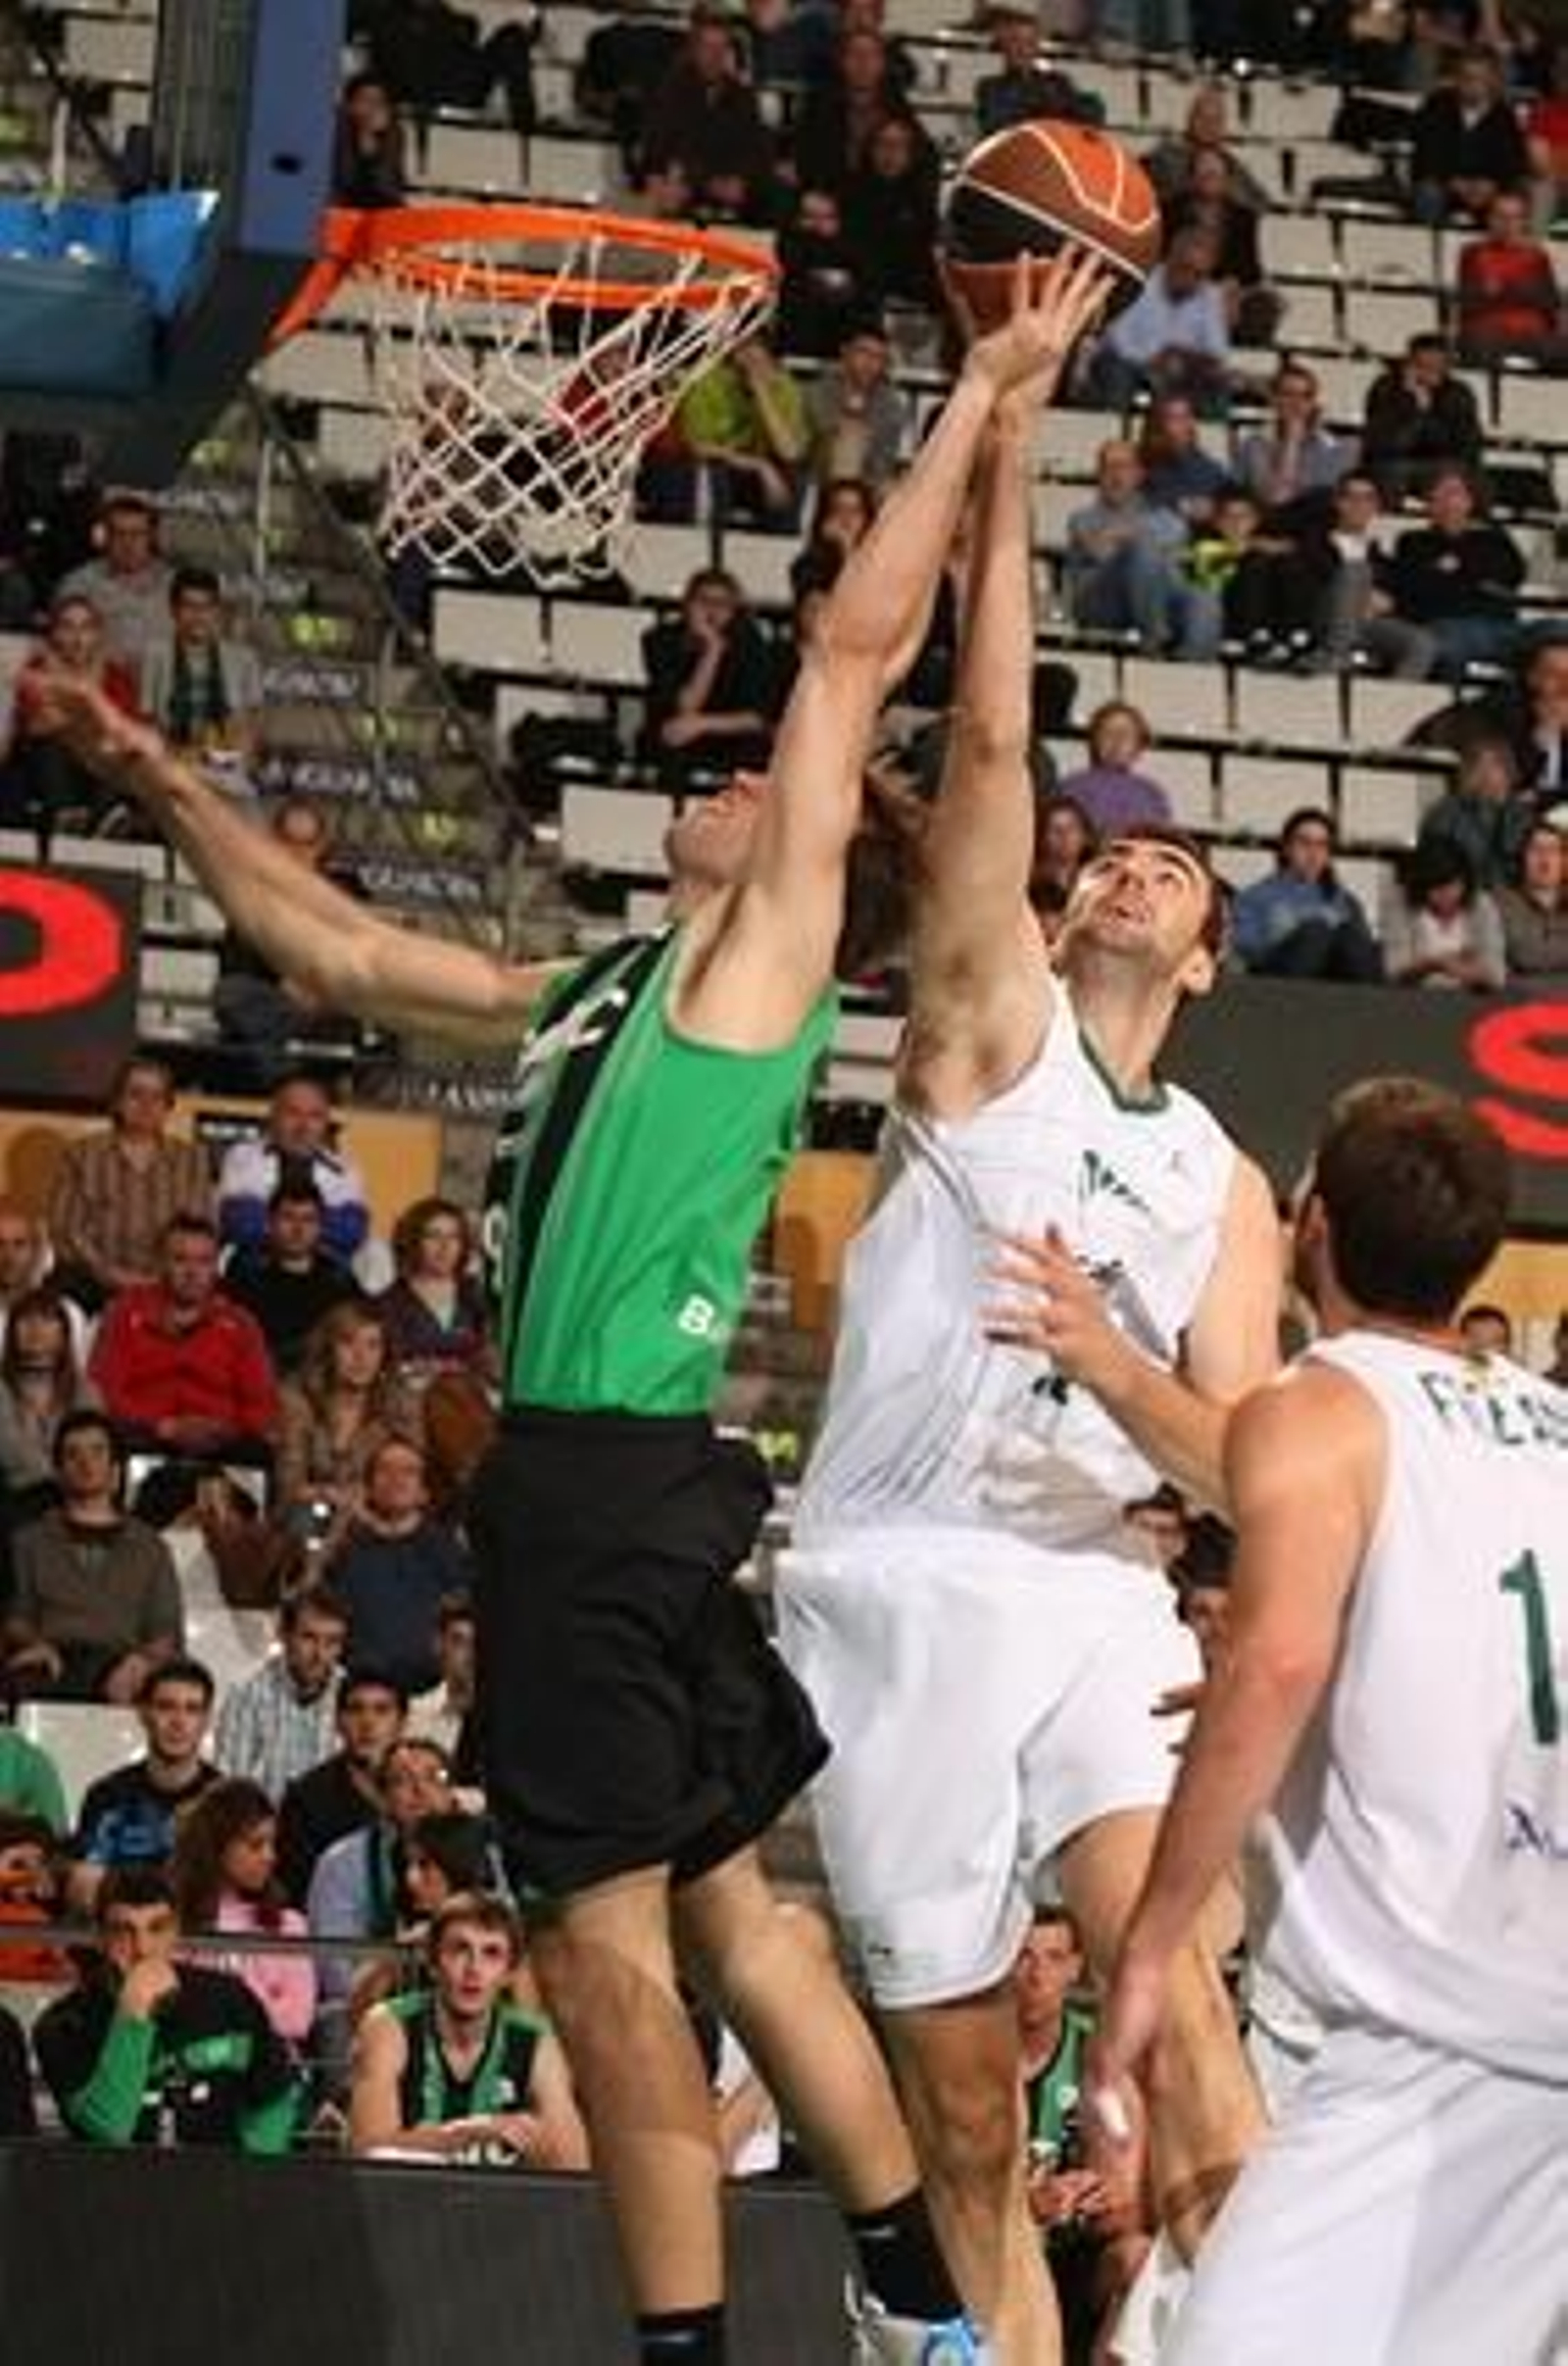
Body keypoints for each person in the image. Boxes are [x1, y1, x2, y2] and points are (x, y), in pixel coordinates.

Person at [29, 261, 1111, 2366]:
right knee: (726, 1890)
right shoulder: (600, 997)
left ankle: (688, 2344)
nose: (698, 786)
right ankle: (907, 2264)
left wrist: (983, 387)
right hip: (629, 1501)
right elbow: (332, 950)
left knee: (593, 1939)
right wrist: (149, 772)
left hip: (602, 1490)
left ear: (799, 853)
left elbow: (851, 654)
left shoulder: (764, 952)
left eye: (738, 792)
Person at [777, 295, 1275, 2362]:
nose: (1135, 866)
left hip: (1091, 1596)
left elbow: (1234, 1459)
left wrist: (1104, 1354)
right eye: (1114, 856)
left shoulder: (1230, 1181)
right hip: (891, 1589)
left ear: (1217, 955)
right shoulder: (988, 1035)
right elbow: (985, 745)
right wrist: (1002, 435)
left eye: (1177, 866)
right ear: (1062, 916)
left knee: (1194, 2050)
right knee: (965, 2124)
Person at [1092, 1076, 1567, 2366]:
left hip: (1427, 2048)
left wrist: (1149, 1947)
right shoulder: (1557, 1436)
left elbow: (1278, 1654)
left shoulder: (1313, 1407)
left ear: (1309, 1227)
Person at [34, 1866, 297, 2151]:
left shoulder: (229, 1999)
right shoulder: (64, 2025)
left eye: (157, 1928)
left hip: (218, 2186)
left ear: (176, 1931)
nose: (142, 1949)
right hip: (116, 2188)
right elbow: (108, 2131)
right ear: (100, 1937)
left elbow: (275, 2097)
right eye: (124, 1931)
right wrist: (133, 2015)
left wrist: (252, 2174)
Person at [350, 1891, 587, 2166]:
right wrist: (469, 2133)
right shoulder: (388, 2026)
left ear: (509, 1973)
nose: (474, 1969)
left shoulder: (534, 2038)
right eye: (460, 1950)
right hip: (400, 2201)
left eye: (491, 1954)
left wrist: (541, 2146)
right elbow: (366, 2149)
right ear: (434, 1963)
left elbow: (574, 2163)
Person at [4, 1410, 182, 1703]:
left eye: (97, 1452)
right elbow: (16, 1617)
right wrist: (35, 1644)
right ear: (59, 1471)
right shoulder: (29, 1541)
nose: (86, 1463)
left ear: (115, 1468)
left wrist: (141, 1661)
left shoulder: (151, 1546)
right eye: (73, 1454)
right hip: (54, 1660)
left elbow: (166, 1631)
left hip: (122, 1662)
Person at [90, 1210, 277, 1465]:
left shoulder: (240, 1323)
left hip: (223, 1445)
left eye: (203, 1261)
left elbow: (261, 1403)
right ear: (160, 1263)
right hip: (145, 1440)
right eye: (180, 1260)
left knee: (260, 1453)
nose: (192, 1272)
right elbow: (104, 1391)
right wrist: (161, 1426)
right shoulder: (124, 1314)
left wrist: (224, 1430)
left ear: (215, 1268)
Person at [47, 1055, 213, 1314]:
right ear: (116, 1102)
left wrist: (163, 1277)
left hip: (169, 1283)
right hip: (94, 1283)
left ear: (168, 1105)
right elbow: (66, 1231)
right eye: (136, 1094)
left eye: (156, 1097)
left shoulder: (191, 1159)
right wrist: (109, 1273)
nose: (146, 1105)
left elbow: (201, 1228)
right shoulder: (81, 1155)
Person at [169, 1774, 317, 2046]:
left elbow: (297, 2020)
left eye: (272, 1844)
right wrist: (266, 2000)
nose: (270, 1856)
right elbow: (175, 2011)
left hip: (270, 2070)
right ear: (217, 1846)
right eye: (255, 1845)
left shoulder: (289, 1925)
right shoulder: (175, 1921)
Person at [324, 1435, 472, 1698]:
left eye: (408, 1471)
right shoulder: (347, 1552)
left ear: (424, 1492)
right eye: (385, 1469)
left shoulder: (448, 1552)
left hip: (434, 1697)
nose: (396, 1478)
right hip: (364, 1696)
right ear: (368, 1487)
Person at [70, 1656, 220, 1906]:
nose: (178, 1722)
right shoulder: (105, 1794)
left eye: (192, 1709)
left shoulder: (224, 1799)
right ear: (143, 1713)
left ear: (206, 1721)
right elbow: (84, 1886)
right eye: (166, 1707)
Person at [274, 1302, 420, 1551]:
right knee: (311, 1532)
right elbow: (291, 1486)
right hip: (312, 1511)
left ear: (384, 1354)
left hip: (382, 1512)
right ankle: (302, 1585)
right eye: (348, 1343)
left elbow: (411, 1474)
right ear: (328, 1350)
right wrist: (343, 1501)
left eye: (372, 1345)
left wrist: (373, 1507)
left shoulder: (400, 1402)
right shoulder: (297, 1399)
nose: (361, 1357)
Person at [1064, 443, 1221, 661]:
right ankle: (1154, 640)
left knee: (1203, 584)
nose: (1116, 474)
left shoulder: (1163, 515)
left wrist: (1121, 534)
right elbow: (1101, 553)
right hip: (1100, 603)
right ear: (1099, 475)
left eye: (1124, 466)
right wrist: (1140, 542)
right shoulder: (1082, 518)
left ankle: (1193, 663)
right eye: (1109, 467)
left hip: (1154, 595)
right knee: (1143, 550)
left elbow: (1177, 551)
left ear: (1139, 474)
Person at [2, 593, 141, 841]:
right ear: (54, 634)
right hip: (49, 766)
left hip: (100, 766)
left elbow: (125, 732)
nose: (77, 638)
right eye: (67, 627)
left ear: (98, 635)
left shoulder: (117, 677)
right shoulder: (37, 672)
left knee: (113, 751)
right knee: (51, 742)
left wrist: (72, 719)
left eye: (86, 628)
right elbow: (35, 727)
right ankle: (70, 817)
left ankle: (98, 822)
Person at [640, 568, 783, 794]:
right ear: (687, 604)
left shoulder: (749, 643)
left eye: (722, 603)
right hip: (677, 731)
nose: (712, 609)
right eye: (704, 600)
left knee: (757, 750)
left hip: (725, 733)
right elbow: (686, 706)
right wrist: (713, 650)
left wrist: (701, 724)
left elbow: (758, 717)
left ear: (735, 610)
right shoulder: (660, 640)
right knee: (672, 744)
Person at [273, 1668, 407, 1906]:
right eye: (355, 1710)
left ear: (401, 1723)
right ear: (337, 1721)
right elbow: (298, 1892)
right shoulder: (305, 1799)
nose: (368, 1723)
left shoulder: (423, 1792)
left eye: (382, 1710)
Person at [216, 1074, 370, 1273]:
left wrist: (276, 1219)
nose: (303, 1126)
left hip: (324, 1278)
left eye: (315, 1116)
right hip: (256, 1274)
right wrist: (318, 1223)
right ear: (273, 1116)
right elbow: (241, 1224)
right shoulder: (242, 1157)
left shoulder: (347, 1169)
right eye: (293, 1113)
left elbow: (350, 1232)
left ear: (326, 1123)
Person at [214, 1583, 351, 1802]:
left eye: (332, 1642)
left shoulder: (354, 1696)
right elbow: (231, 1787)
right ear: (284, 1635)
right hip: (265, 1830)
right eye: (309, 1637)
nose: (320, 1654)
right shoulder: (247, 1694)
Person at [1385, 466, 1524, 680]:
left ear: (1469, 501)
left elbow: (1513, 575)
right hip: (1446, 625)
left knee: (1555, 632)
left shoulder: (1494, 540)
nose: (1447, 501)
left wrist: (1455, 569)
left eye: (1453, 492)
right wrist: (1477, 578)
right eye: (1437, 495)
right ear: (1429, 504)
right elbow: (1415, 586)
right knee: (1449, 643)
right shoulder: (1413, 541)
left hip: (1501, 626)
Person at [641, 9, 774, 222]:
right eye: (708, 48)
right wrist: (708, 182)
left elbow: (755, 148)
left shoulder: (742, 96)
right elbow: (664, 148)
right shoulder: (671, 90)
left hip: (726, 185)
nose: (715, 56)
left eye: (721, 48)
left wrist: (741, 178)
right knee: (668, 188)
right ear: (694, 50)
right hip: (686, 184)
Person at [221, 1177, 361, 1378]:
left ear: (320, 1226)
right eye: (288, 1218)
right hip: (266, 1381)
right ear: (270, 1222)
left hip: (326, 1382)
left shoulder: (339, 1278)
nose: (298, 1229)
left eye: (308, 1220)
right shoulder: (246, 1277)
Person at [1086, 231, 1232, 418]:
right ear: (1171, 257)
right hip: (1128, 365)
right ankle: (1109, 428)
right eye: (1186, 268)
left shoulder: (1210, 294)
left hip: (1179, 373)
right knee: (1117, 370)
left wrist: (1181, 355)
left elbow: (1217, 354)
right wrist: (1155, 360)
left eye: (1200, 274)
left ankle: (1203, 439)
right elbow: (1117, 340)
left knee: (1216, 382)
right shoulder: (1141, 280)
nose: (1192, 279)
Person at [1231, 809, 1383, 981]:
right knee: (1316, 933)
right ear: (1287, 848)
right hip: (1279, 981)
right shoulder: (1256, 897)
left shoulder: (1347, 902)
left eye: (1322, 845)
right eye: (1304, 843)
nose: (1313, 853)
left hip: (1336, 985)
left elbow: (1366, 958)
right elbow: (1247, 952)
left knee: (1350, 937)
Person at [140, 567, 265, 771]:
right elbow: (150, 727)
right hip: (172, 767)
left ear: (217, 611)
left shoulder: (244, 659)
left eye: (206, 606)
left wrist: (213, 760)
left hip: (227, 766)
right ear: (173, 610)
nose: (198, 615)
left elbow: (250, 735)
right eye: (188, 606)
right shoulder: (156, 656)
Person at [372, 1197, 489, 1392]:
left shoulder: (477, 1295)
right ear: (413, 1240)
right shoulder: (389, 1302)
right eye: (433, 1236)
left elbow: (493, 1359)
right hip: (409, 1405)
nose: (445, 1246)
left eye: (454, 1237)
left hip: (472, 1406)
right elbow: (387, 1366)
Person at [58, 492, 172, 686]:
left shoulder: (174, 583)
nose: (128, 543)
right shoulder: (79, 585)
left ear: (152, 536)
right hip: (101, 689)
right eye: (119, 533)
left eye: (137, 534)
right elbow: (61, 646)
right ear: (106, 536)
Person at [0, 1287, 98, 1512]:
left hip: (77, 1497)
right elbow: (11, 1453)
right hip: (15, 1500)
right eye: (26, 1320)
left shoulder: (85, 1391)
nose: (36, 1329)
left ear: (64, 1333)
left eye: (47, 1319)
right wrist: (60, 1483)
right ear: (11, 1331)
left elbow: (95, 1447)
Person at [1408, 43, 1530, 223]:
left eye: (1479, 78)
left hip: (1488, 189)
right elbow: (1426, 154)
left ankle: (1500, 250)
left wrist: (1491, 185)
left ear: (1492, 80)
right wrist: (1454, 183)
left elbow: (1512, 163)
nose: (1472, 84)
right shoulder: (1437, 107)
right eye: (1466, 78)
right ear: (1457, 78)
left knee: (1511, 200)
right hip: (1445, 184)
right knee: (1428, 193)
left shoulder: (1504, 116)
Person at [1360, 335, 1485, 504]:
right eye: (1423, 365)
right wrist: (1414, 406)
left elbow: (1464, 447)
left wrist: (1426, 411)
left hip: (1442, 465)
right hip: (1392, 464)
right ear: (1409, 364)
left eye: (1437, 366)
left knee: (1457, 476)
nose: (1430, 372)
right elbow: (1384, 444)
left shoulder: (1459, 394)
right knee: (1389, 473)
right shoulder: (1386, 388)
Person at [1455, 188, 1568, 367]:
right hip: (1489, 330)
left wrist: (1501, 290)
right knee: (1478, 344)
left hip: (1532, 333)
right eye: (1501, 217)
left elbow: (1549, 301)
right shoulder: (1472, 253)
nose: (1508, 224)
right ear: (1490, 219)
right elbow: (1471, 300)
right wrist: (1522, 291)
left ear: (1524, 222)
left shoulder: (1537, 256)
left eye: (1515, 217)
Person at [1380, 838, 1506, 990]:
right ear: (1421, 886)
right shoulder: (1400, 901)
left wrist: (1458, 969)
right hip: (1414, 999)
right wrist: (1433, 964)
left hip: (1468, 999)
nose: (1447, 895)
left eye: (1454, 885)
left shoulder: (1482, 905)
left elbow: (1496, 976)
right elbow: (1394, 971)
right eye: (1437, 889)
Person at [1418, 733, 1538, 889]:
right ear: (1468, 772)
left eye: (1495, 764)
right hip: (1465, 894)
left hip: (1513, 898)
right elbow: (1435, 862)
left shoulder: (1524, 815)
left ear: (1508, 769)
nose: (1486, 773)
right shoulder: (1447, 811)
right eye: (1478, 765)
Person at [805, 325, 906, 493]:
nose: (870, 363)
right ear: (845, 352)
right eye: (863, 352)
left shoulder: (890, 404)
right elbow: (810, 451)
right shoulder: (817, 392)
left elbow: (882, 465)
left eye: (879, 357)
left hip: (866, 489)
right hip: (816, 481)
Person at [1055, 704, 1174, 837]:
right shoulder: (1072, 787)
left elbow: (1160, 841)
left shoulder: (1152, 795)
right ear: (1094, 741)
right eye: (1107, 732)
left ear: (1139, 746)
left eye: (1126, 734)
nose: (1117, 740)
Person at [407, 1591, 477, 1763]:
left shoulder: (510, 1723)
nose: (471, 1655)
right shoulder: (413, 1716)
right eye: (459, 1642)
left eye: (478, 1644)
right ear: (438, 1645)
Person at [1498, 817, 1568, 975]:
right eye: (1536, 849)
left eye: (1553, 850)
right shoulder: (1504, 901)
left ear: (1564, 860)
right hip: (1525, 997)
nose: (1545, 858)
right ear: (1521, 858)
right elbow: (1526, 955)